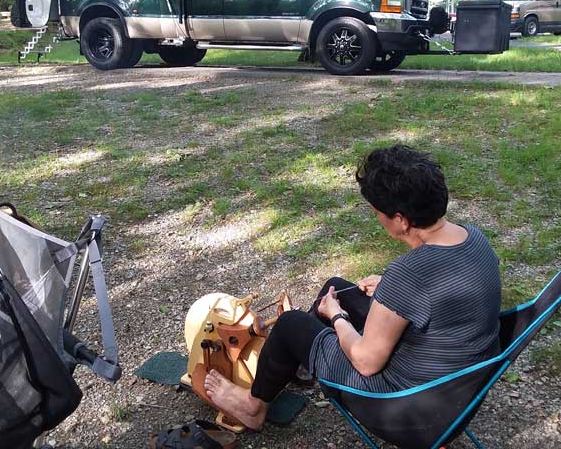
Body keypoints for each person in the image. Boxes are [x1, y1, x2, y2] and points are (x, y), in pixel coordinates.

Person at [204, 145, 501, 430]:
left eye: (377, 211)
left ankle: (252, 407)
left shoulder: (408, 274)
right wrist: (389, 289)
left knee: (291, 323)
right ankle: (298, 364)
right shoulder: (473, 239)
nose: (377, 217)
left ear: (400, 220)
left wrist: (337, 317)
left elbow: (366, 361)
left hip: (405, 409)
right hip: (457, 392)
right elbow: (444, 292)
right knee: (335, 287)